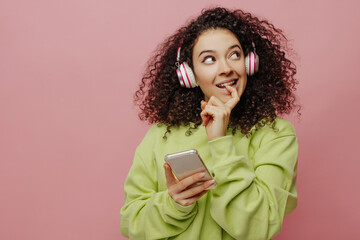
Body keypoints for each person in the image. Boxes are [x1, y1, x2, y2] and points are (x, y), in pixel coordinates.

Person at [120, 7, 299, 240]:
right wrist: (174, 205)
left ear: (250, 62)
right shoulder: (160, 135)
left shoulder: (276, 135)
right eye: (209, 59)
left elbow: (258, 227)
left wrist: (220, 141)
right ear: (189, 75)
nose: (226, 68)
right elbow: (131, 222)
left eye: (235, 55)